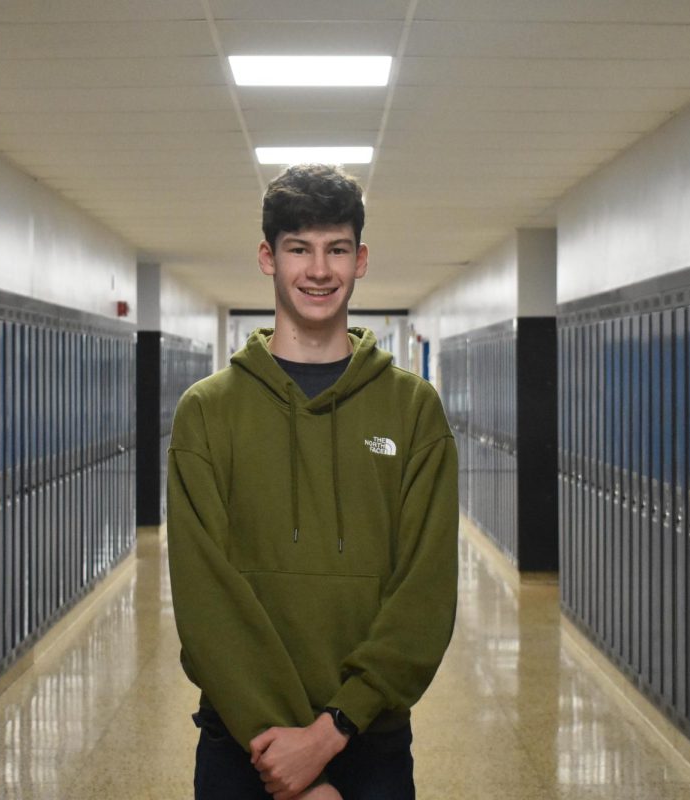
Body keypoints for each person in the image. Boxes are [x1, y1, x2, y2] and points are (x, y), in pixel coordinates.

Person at [167, 163, 458, 800]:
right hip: (241, 746)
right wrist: (284, 755)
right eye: (299, 249)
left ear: (362, 259)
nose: (319, 270)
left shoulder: (412, 410)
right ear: (269, 258)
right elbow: (203, 599)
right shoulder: (207, 413)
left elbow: (426, 591)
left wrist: (329, 734)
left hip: (370, 744)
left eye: (337, 249)